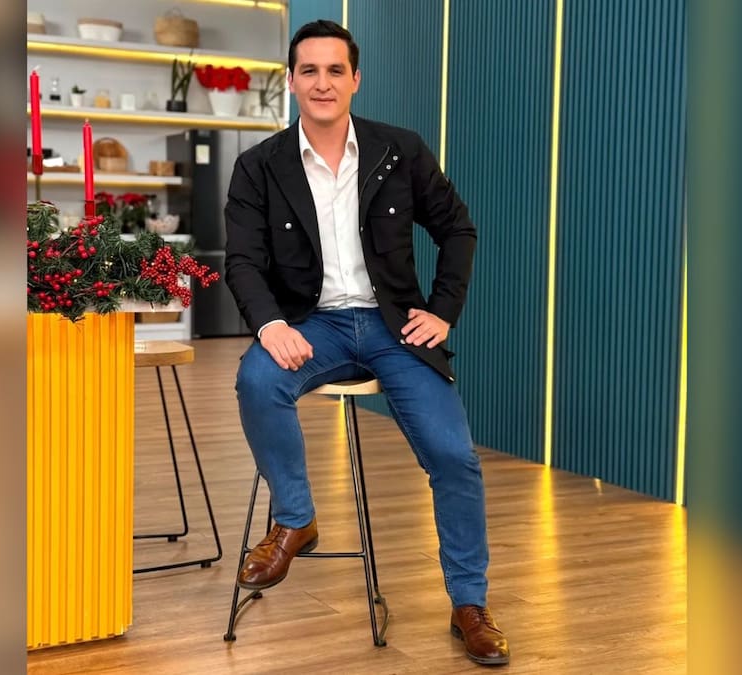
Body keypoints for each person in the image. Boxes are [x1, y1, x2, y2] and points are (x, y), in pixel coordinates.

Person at [223, 19, 509, 666]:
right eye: (309, 70)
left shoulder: (399, 150)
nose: (322, 83)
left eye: (335, 70)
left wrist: (443, 311)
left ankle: (469, 604)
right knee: (257, 380)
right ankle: (295, 518)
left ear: (355, 79)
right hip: (311, 323)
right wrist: (271, 325)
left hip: (392, 326)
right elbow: (242, 261)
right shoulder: (258, 166)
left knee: (453, 456)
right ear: (291, 80)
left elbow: (458, 230)